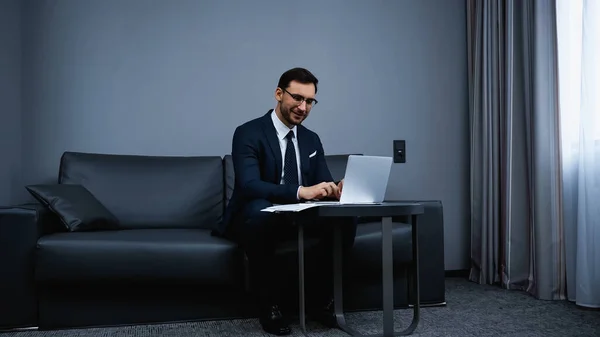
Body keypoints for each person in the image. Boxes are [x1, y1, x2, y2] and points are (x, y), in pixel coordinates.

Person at [221, 67, 358, 335]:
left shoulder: (311, 139)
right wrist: (300, 191)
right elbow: (250, 185)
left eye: (309, 101)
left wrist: (335, 189)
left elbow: (323, 182)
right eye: (297, 98)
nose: (303, 107)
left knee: (345, 217)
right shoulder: (248, 132)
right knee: (260, 212)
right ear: (278, 94)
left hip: (298, 216)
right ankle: (269, 306)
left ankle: (322, 302)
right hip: (257, 213)